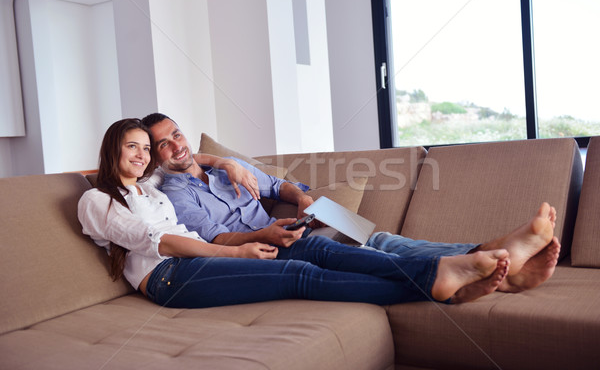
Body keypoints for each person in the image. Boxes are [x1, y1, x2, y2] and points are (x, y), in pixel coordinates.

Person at [78, 118, 512, 309]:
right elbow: (185, 236)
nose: (175, 147)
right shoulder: (164, 191)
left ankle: (476, 255)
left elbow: (276, 184)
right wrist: (256, 237)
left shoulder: (192, 175)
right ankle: (471, 265)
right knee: (363, 246)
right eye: (156, 146)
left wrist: (297, 196)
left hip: (296, 225)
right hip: (251, 244)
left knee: (368, 235)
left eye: (177, 135)